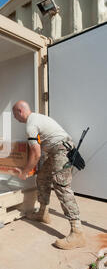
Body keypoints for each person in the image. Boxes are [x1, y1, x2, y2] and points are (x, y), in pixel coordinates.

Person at [12, 100, 85, 250]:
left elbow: (36, 154)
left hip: (61, 152)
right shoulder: (38, 118)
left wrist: (25, 173)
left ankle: (77, 232)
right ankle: (43, 213)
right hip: (56, 151)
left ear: (20, 111)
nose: (15, 119)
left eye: (14, 115)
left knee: (61, 187)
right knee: (42, 178)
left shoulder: (30, 125)